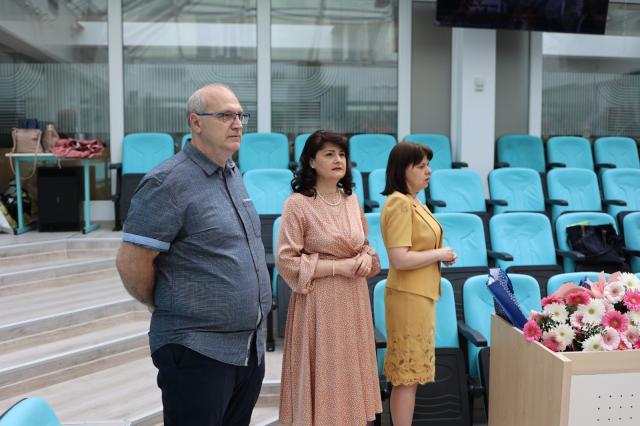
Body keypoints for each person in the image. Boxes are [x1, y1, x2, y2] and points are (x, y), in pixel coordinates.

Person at [115, 84, 271, 426]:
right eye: (225, 115)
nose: (238, 124)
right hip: (196, 351)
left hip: (246, 350)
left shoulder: (232, 173)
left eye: (240, 115)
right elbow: (132, 262)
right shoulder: (167, 182)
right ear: (195, 122)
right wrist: (172, 303)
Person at [276, 130, 383, 425]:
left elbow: (366, 247)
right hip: (319, 306)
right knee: (324, 380)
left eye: (342, 154)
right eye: (329, 154)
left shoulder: (350, 199)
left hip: (354, 302)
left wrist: (363, 258)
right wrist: (339, 268)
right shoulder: (297, 204)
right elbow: (286, 261)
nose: (338, 160)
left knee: (349, 380)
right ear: (311, 161)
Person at [380, 141, 457, 426]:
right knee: (406, 376)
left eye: (428, 165)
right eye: (421, 166)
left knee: (411, 375)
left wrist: (438, 255)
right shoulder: (400, 203)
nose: (429, 171)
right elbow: (399, 259)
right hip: (408, 297)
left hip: (420, 295)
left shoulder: (414, 201)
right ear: (403, 170)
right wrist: (440, 253)